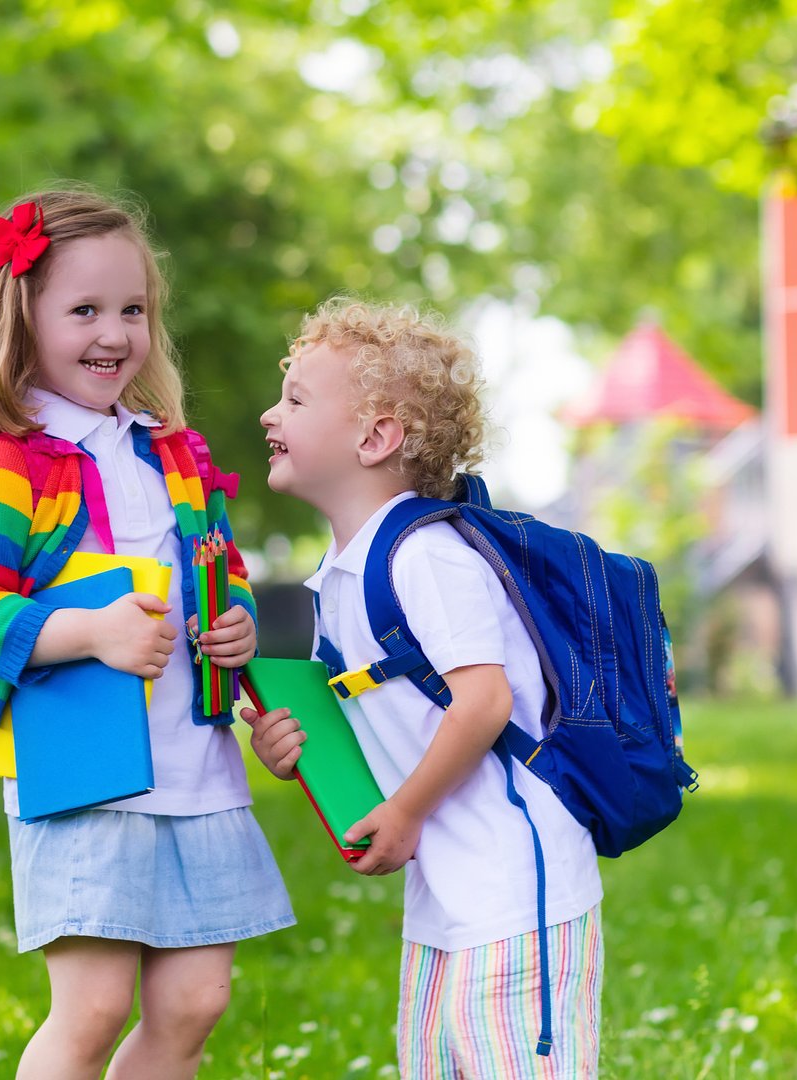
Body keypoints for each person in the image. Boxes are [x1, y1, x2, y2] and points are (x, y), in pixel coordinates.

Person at [0, 186, 294, 1080]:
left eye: (132, 309)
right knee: (91, 1010)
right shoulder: (6, 466)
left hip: (195, 765)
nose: (113, 333)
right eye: (83, 310)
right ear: (18, 319)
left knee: (195, 1002)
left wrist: (236, 631)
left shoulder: (173, 452)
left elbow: (219, 574)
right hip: (82, 767)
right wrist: (88, 632)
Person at [246, 299, 604, 1078]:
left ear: (375, 438)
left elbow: (485, 701)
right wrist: (292, 748)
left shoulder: (426, 557)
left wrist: (405, 813)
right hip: (446, 902)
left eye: (297, 398)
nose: (271, 412)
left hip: (514, 899)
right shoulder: (340, 580)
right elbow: (381, 725)